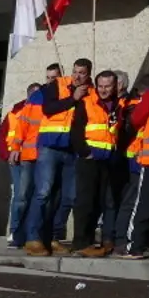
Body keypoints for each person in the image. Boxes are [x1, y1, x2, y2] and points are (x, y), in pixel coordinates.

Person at [25, 58, 95, 256]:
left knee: (67, 197)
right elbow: (48, 108)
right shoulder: (58, 85)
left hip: (72, 150)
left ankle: (53, 237)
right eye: (75, 71)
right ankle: (33, 238)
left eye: (82, 73)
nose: (77, 76)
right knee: (43, 192)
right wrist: (73, 98)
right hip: (50, 145)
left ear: (88, 74)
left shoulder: (90, 91)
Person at [70, 70, 123, 256]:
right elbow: (76, 131)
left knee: (99, 203)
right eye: (100, 86)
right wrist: (85, 153)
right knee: (85, 202)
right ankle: (80, 243)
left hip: (107, 160)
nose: (103, 90)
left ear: (115, 86)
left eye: (107, 86)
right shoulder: (86, 102)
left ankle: (89, 242)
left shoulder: (118, 104)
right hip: (90, 160)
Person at [117, 73, 149, 259]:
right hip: (140, 158)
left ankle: (136, 243)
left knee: (140, 203)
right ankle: (127, 241)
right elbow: (133, 125)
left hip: (145, 158)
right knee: (135, 203)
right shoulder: (136, 104)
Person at [5, 83, 41, 248]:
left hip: (37, 158)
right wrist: (8, 153)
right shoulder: (16, 111)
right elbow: (4, 134)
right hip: (19, 159)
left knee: (35, 197)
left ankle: (30, 233)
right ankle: (16, 232)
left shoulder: (44, 108)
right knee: (21, 197)